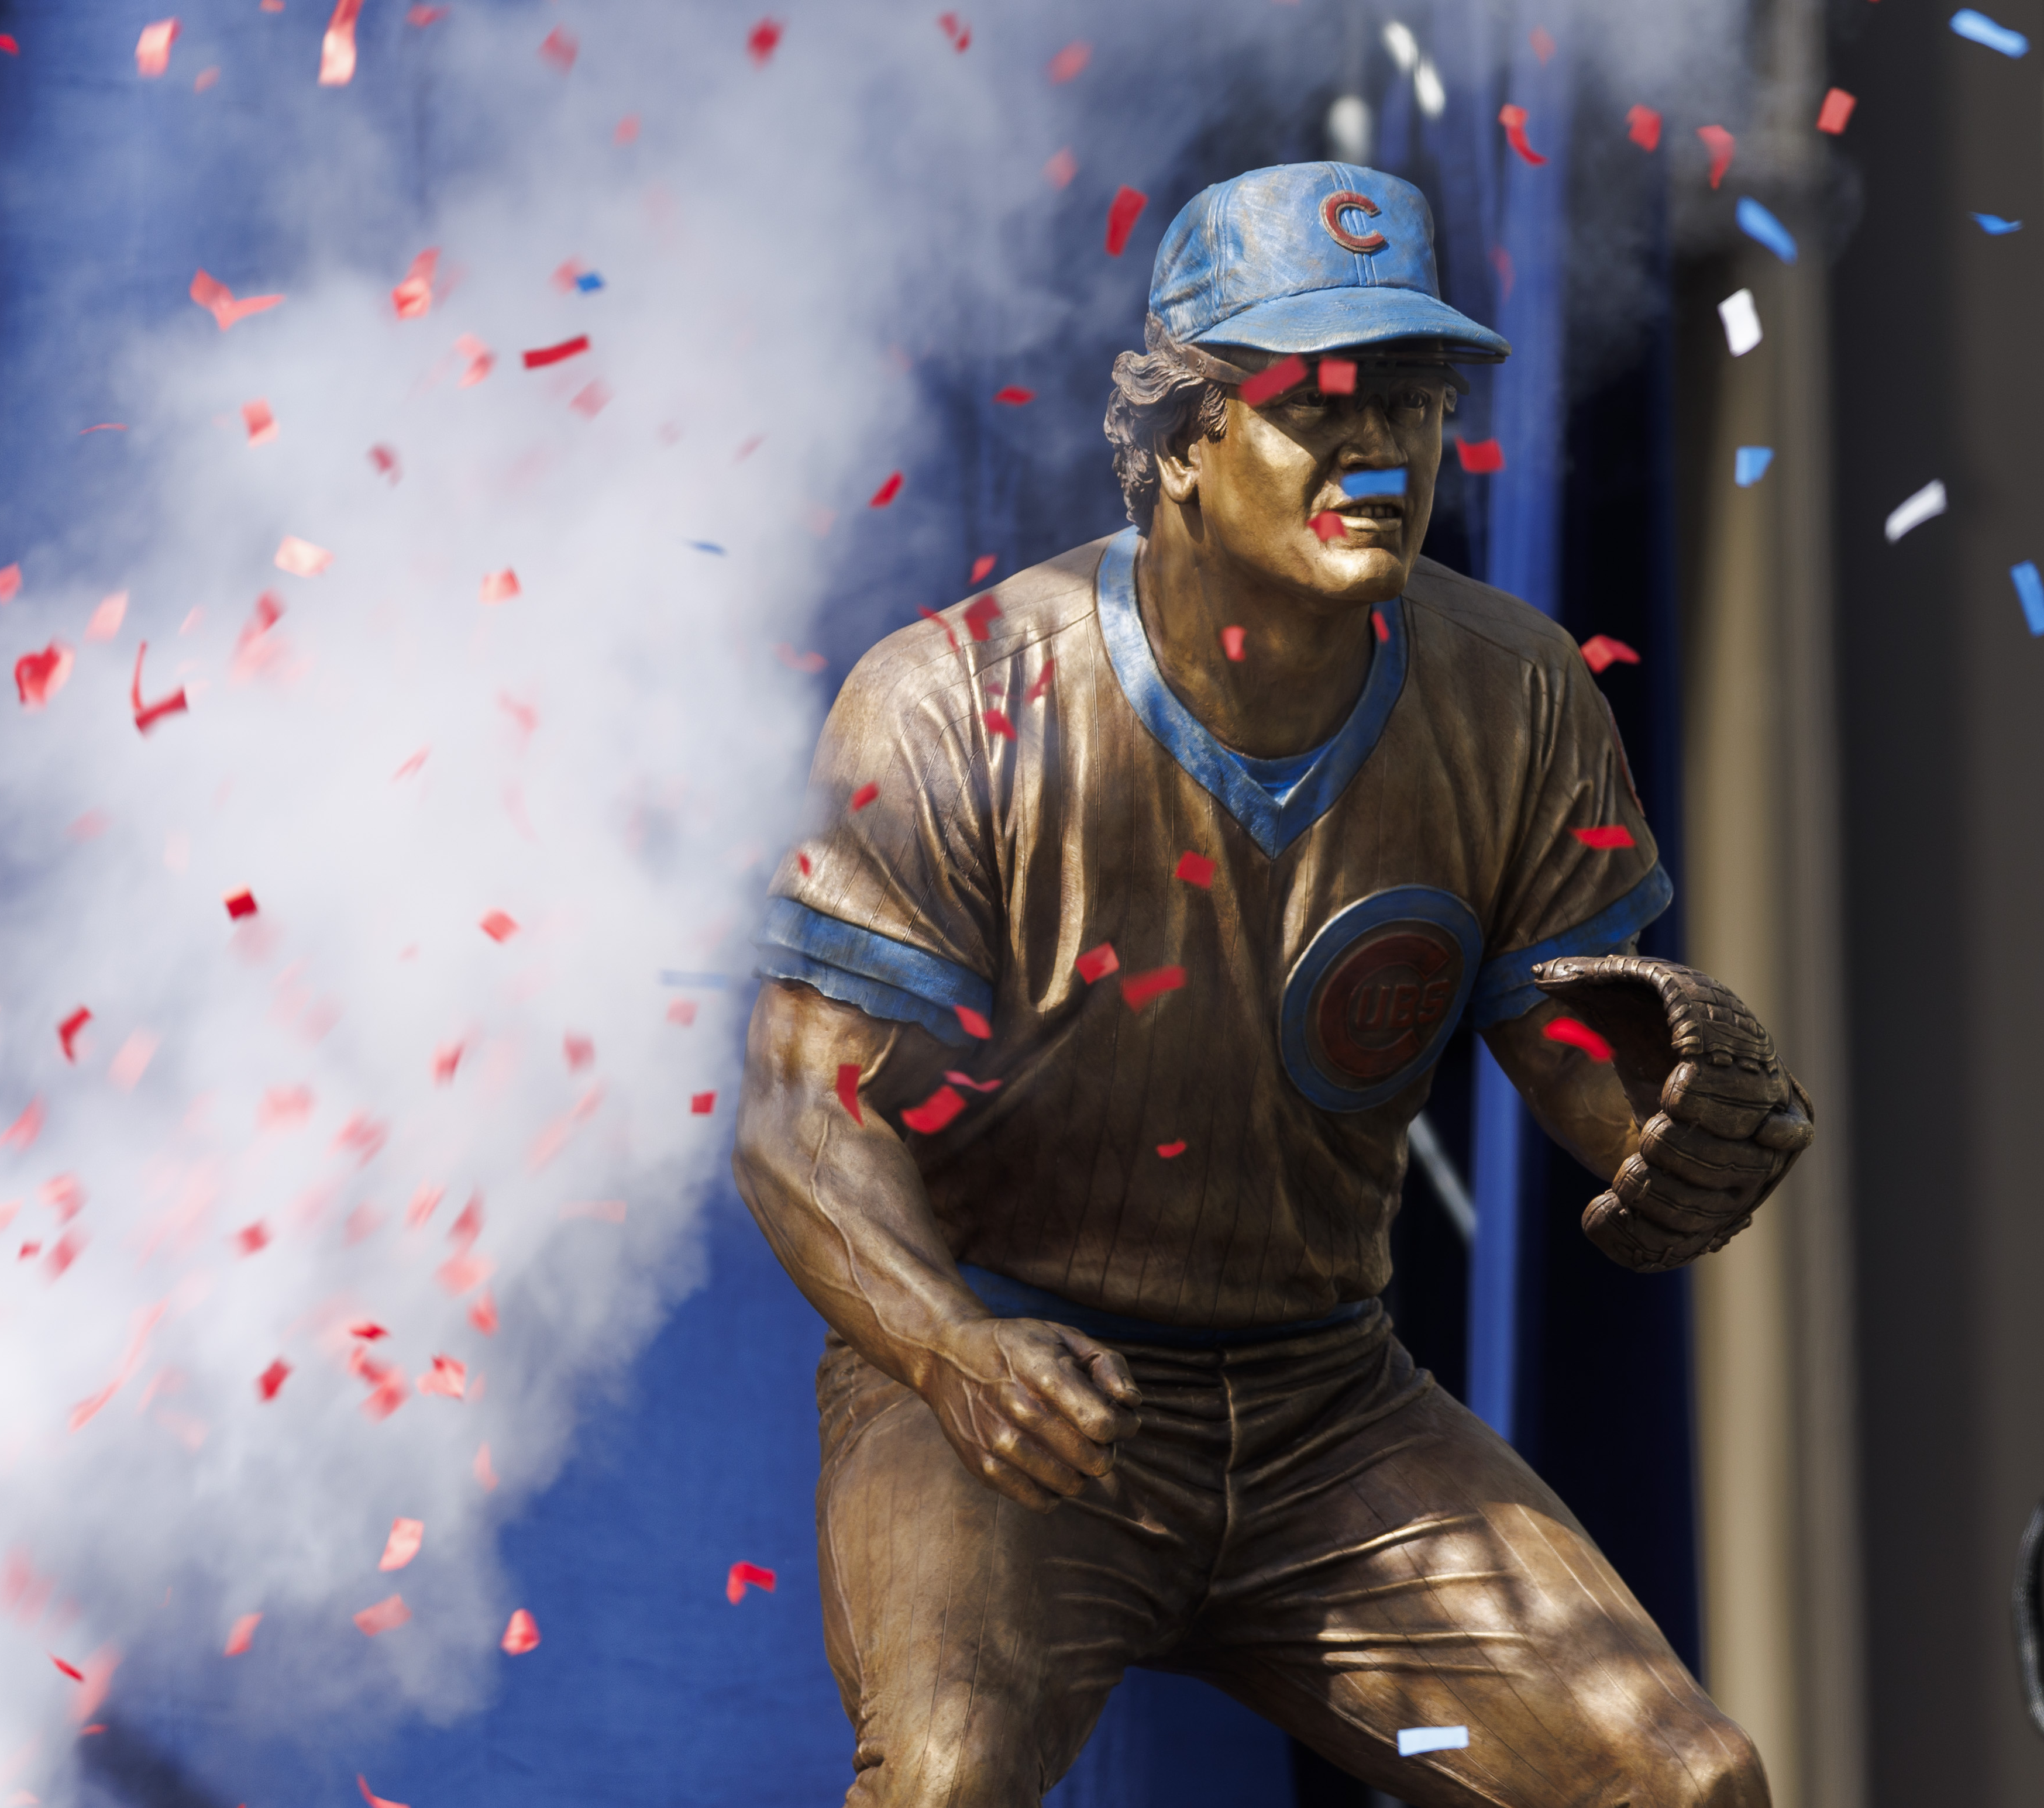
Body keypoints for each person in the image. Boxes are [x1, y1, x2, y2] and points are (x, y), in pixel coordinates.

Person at [733, 161, 1814, 1808]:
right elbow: (802, 1117)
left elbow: (1576, 1040)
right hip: (1014, 1385)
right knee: (941, 1776)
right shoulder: (955, 703)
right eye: (1318, 406)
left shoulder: (1513, 688)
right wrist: (955, 1352)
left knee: (1677, 1782)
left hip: (1329, 1412)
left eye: (1412, 403)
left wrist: (1675, 1123)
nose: (1378, 450)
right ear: (1176, 443)